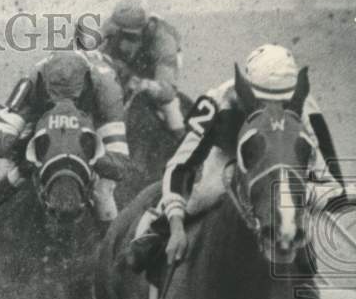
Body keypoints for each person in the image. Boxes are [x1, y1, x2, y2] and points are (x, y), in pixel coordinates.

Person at [127, 43, 346, 271]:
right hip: (229, 155)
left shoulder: (306, 107)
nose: (273, 111)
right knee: (204, 194)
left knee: (299, 227)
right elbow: (180, 162)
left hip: (281, 160)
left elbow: (332, 182)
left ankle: (305, 287)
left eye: (282, 101)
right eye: (262, 100)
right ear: (246, 91)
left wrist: (297, 195)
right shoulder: (217, 101)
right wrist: (175, 224)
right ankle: (155, 230)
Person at [0, 50, 131, 249]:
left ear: (87, 84)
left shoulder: (106, 89)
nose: (64, 103)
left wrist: (91, 156)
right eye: (56, 95)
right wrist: (20, 146)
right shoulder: (34, 79)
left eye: (72, 97)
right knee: (25, 166)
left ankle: (115, 251)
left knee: (103, 189)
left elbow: (119, 165)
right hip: (43, 119)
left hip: (92, 124)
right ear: (45, 84)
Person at [81, 0, 185, 135]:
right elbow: (88, 46)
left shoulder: (164, 42)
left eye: (130, 37)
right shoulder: (117, 22)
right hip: (125, 62)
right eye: (120, 34)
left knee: (168, 106)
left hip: (154, 67)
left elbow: (167, 91)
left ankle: (181, 139)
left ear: (146, 28)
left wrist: (146, 85)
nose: (124, 44)